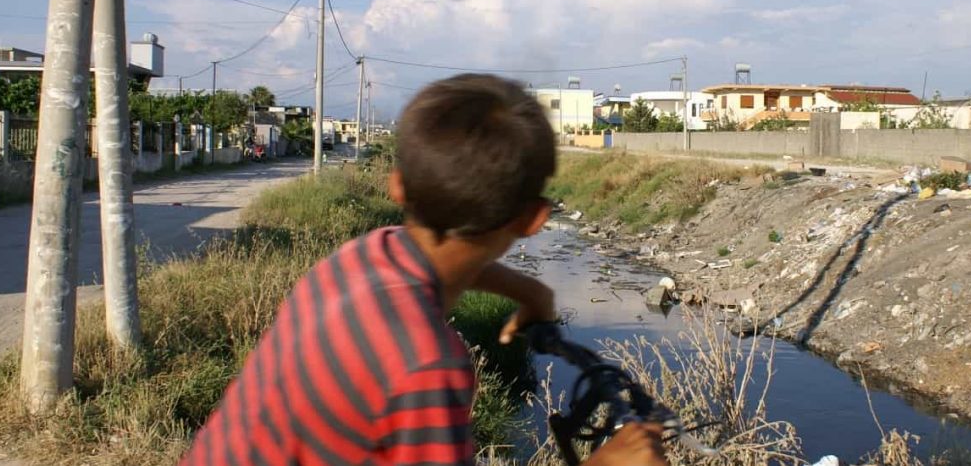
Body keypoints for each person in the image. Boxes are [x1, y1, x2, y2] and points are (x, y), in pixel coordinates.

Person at [179, 74, 666, 466]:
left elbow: (450, 267)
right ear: (534, 221)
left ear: (396, 186)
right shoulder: (425, 368)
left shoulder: (361, 255)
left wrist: (530, 292)